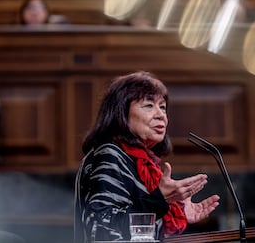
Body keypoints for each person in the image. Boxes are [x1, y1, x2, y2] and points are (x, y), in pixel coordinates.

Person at [74, 71, 220, 243]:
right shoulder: (110, 154)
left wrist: (177, 212)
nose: (160, 115)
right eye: (149, 105)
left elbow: (138, 232)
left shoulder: (141, 163)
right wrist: (159, 199)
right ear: (121, 113)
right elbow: (102, 228)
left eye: (163, 107)